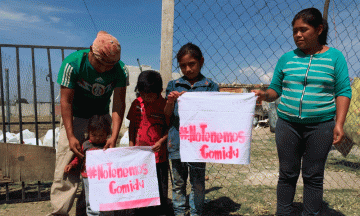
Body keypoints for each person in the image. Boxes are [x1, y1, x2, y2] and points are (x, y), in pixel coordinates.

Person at [252, 8, 351, 216]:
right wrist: (264, 94)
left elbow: (343, 91)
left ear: (319, 29)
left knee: (313, 175)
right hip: (288, 125)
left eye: (303, 30)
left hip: (321, 126)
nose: (298, 34)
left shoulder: (335, 57)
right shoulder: (287, 59)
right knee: (287, 174)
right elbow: (275, 89)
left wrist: (339, 124)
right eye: (295, 30)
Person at [49, 31, 127, 216]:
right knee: (66, 169)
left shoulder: (120, 69)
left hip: (101, 120)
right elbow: (65, 102)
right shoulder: (73, 64)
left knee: (103, 169)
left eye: (111, 65)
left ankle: (97, 209)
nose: (106, 69)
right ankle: (59, 212)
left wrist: (114, 136)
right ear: (92, 52)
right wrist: (70, 136)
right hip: (76, 118)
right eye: (102, 64)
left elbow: (118, 104)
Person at [164, 43, 219, 216]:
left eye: (192, 64)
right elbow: (167, 115)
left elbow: (215, 114)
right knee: (179, 182)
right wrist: (170, 101)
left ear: (201, 61)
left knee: (198, 183)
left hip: (198, 144)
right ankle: (179, 212)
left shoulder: (210, 86)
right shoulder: (174, 85)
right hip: (178, 141)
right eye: (182, 65)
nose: (187, 69)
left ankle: (196, 213)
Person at [127, 70, 169, 216]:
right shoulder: (137, 104)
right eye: (142, 94)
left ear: (160, 91)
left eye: (150, 95)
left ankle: (159, 211)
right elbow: (132, 125)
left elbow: (170, 128)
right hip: (140, 157)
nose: (146, 98)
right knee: (141, 185)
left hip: (160, 157)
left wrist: (162, 141)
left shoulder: (165, 105)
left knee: (160, 186)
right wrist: (132, 145)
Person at [64, 115, 112, 216]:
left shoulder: (108, 146)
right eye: (94, 135)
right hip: (88, 178)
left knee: (106, 199)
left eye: (101, 135)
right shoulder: (85, 145)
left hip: (104, 178)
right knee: (91, 199)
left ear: (107, 134)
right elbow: (79, 157)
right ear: (88, 132)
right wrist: (72, 164)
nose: (98, 138)